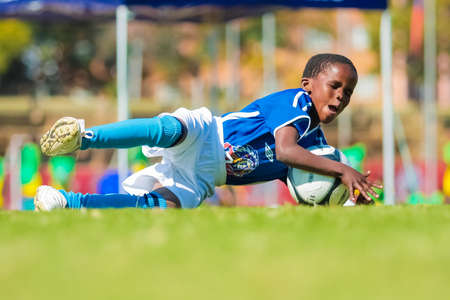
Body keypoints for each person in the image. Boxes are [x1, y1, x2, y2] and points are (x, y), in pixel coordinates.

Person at [34, 53, 382, 211]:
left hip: (208, 175)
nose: (341, 96)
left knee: (163, 207)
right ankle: (83, 137)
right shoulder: (296, 103)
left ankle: (66, 201)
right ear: (308, 85)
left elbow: (305, 189)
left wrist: (348, 198)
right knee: (170, 128)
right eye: (335, 86)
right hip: (208, 134)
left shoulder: (317, 147)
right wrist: (343, 168)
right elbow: (285, 151)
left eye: (348, 92)